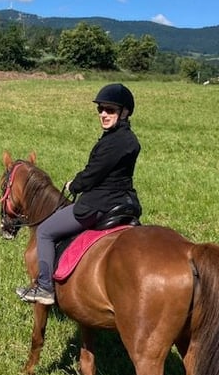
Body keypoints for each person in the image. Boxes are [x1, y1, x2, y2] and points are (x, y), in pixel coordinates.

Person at [15, 83, 142, 305]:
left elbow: (94, 173)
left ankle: (44, 287)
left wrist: (75, 185)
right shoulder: (128, 139)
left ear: (125, 112)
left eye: (110, 110)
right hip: (124, 201)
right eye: (101, 109)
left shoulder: (114, 142)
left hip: (99, 205)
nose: (103, 114)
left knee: (44, 231)